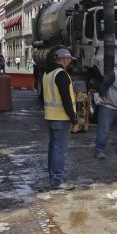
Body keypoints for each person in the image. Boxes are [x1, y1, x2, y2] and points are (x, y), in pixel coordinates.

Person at [43, 48, 79, 190]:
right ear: (64, 59)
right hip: (61, 117)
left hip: (51, 116)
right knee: (60, 150)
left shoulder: (47, 73)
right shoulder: (61, 74)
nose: (70, 62)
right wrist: (74, 120)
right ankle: (57, 181)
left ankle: (53, 178)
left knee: (53, 148)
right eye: (69, 59)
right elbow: (66, 99)